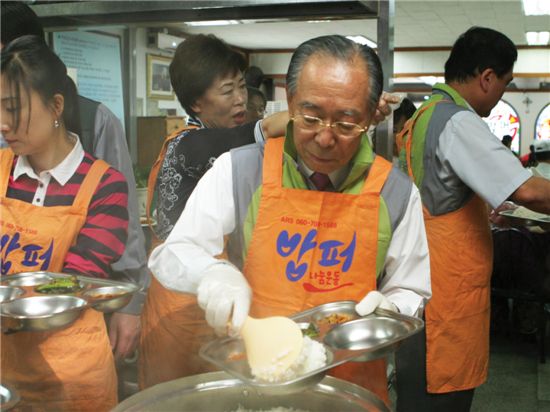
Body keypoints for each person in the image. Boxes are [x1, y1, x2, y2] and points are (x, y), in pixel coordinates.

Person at [149, 35, 431, 406]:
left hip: (351, 388)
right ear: (290, 100)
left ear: (370, 116)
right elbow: (175, 251)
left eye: (347, 124)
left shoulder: (395, 192)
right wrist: (212, 275)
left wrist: (392, 312)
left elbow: (410, 287)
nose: (325, 138)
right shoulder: (240, 169)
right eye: (310, 117)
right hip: (259, 381)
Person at [396, 27, 550, 411]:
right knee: (441, 396)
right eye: (504, 83)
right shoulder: (459, 123)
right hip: (447, 292)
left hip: (422, 280)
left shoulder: (425, 116)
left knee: (418, 392)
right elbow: (529, 191)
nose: (502, 95)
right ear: (486, 77)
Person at [139, 33, 289, 389]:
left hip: (220, 297)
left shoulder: (221, 147)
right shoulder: (189, 144)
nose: (240, 99)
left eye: (241, 87)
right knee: (175, 398)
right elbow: (259, 131)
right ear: (196, 103)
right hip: (179, 304)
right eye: (227, 91)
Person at [0, 0, 148, 362]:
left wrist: (132, 302)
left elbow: (117, 233)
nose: (4, 123)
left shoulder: (98, 125)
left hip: (70, 336)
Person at [0, 35, 129, 410]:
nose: (3, 125)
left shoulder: (105, 186)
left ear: (56, 105)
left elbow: (74, 279)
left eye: (13, 109)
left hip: (71, 373)